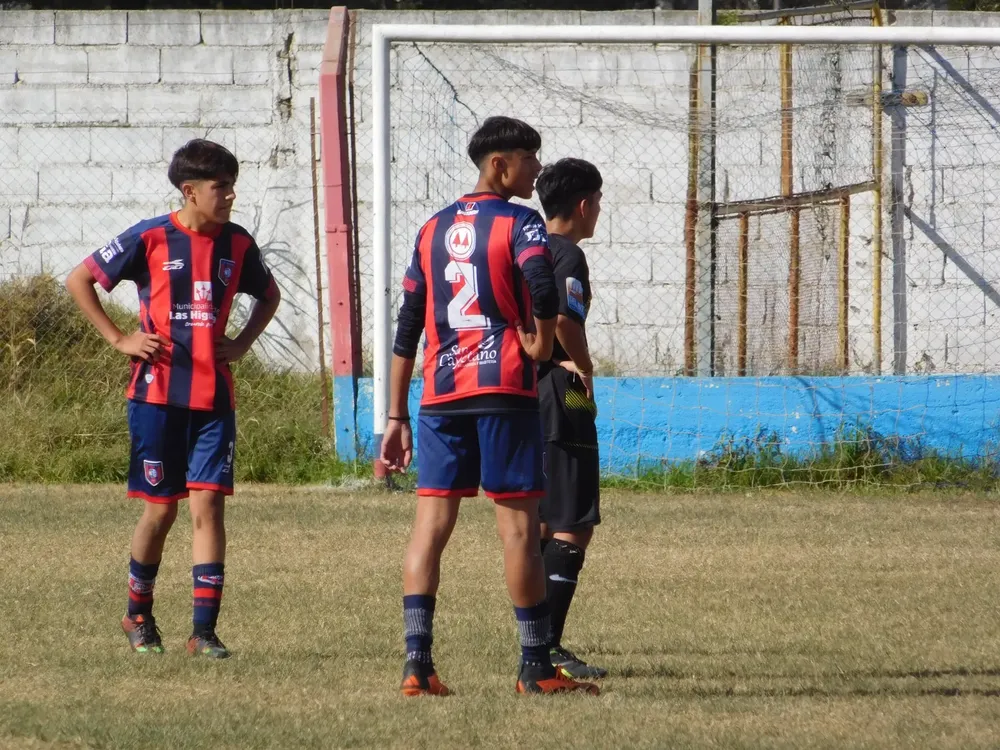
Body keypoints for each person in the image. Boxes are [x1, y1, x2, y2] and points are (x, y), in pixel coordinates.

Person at [380, 117, 599, 697]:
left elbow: (407, 328)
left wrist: (396, 415)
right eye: (530, 157)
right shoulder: (520, 221)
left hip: (441, 396)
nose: (536, 168)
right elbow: (542, 286)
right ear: (499, 164)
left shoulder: (431, 228)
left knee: (430, 528)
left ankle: (417, 665)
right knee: (520, 532)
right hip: (503, 390)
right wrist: (539, 341)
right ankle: (535, 667)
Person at [65, 139, 280, 659]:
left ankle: (203, 632)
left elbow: (268, 294)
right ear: (190, 191)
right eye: (220, 187)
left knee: (209, 507)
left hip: (214, 400)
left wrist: (244, 342)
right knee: (160, 512)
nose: (229, 195)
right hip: (156, 398)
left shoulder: (238, 244)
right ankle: (137, 615)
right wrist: (121, 339)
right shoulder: (151, 238)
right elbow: (81, 279)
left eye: (231, 185)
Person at [534, 158, 607, 680]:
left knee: (540, 514)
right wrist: (583, 369)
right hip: (564, 391)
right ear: (583, 205)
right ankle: (548, 646)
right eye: (598, 203)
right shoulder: (569, 256)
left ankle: (533, 637)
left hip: (521, 391)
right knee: (573, 519)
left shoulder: (525, 248)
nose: (598, 212)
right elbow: (563, 318)